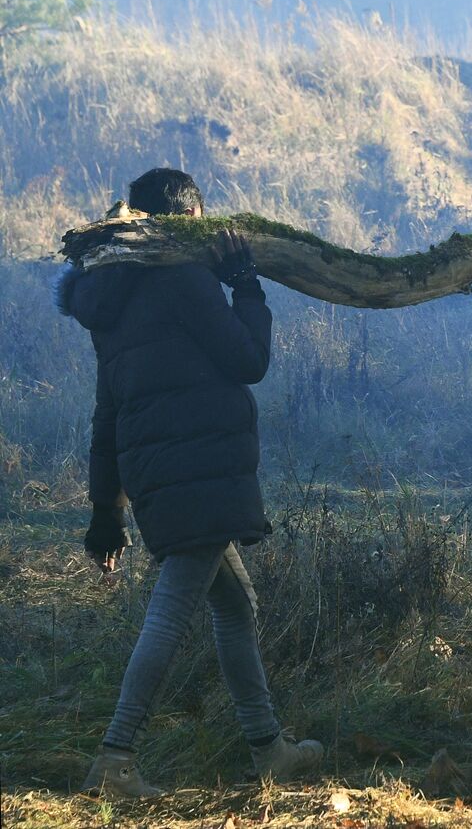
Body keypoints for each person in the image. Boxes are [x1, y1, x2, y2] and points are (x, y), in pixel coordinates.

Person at [56, 168, 323, 796]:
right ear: (187, 223)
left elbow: (108, 410)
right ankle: (114, 762)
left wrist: (106, 509)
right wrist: (245, 287)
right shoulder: (182, 277)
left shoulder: (110, 299)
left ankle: (269, 750)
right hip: (201, 469)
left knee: (235, 605)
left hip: (159, 474)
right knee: (172, 613)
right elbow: (248, 360)